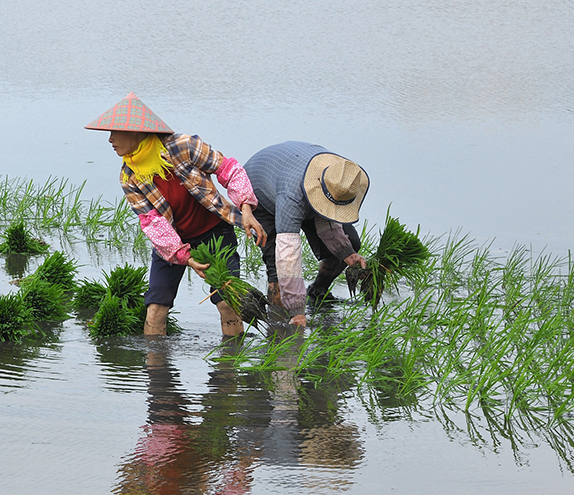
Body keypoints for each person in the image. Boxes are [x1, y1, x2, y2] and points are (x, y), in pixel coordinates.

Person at [85, 93, 266, 337]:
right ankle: (156, 370)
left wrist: (245, 208)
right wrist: (184, 257)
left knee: (227, 302)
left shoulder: (184, 146)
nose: (110, 140)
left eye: (115, 133)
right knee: (156, 307)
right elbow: (152, 223)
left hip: (215, 234)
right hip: (174, 242)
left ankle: (229, 369)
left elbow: (229, 170)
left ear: (136, 132)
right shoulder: (129, 176)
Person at [241, 141, 370, 327]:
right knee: (277, 268)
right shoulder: (291, 197)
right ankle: (279, 326)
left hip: (297, 178)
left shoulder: (340, 176)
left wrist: (346, 252)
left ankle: (317, 292)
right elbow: (288, 255)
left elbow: (327, 219)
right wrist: (297, 310)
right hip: (259, 194)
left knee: (351, 243)